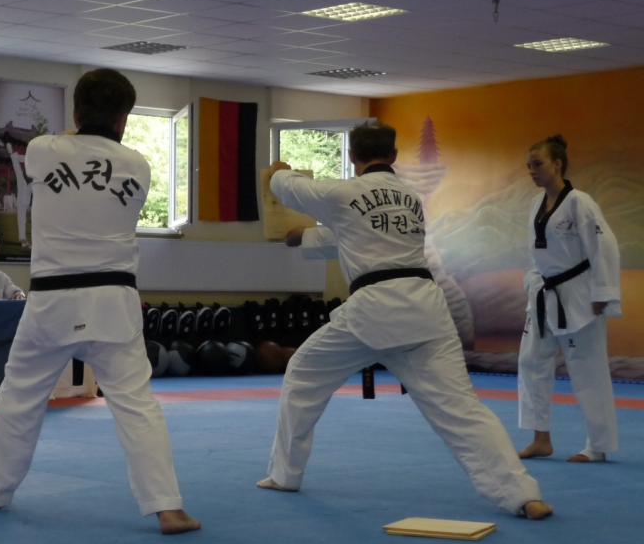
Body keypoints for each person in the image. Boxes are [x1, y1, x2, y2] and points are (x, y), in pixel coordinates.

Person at [261, 123, 551, 519]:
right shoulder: (410, 198)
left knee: (302, 373)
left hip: (373, 312)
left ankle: (285, 475)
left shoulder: (342, 192)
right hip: (426, 312)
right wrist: (306, 238)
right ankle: (523, 495)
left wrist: (278, 172)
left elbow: (288, 188)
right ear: (394, 156)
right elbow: (363, 236)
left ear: (352, 156)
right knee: (462, 409)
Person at [0, 68, 199, 535]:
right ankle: (167, 507)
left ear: (75, 113)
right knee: (137, 404)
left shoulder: (43, 149)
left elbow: (60, 143)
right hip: (113, 302)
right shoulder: (138, 165)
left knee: (19, 397)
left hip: (51, 302)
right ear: (124, 119)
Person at [517, 135, 621, 463]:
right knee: (531, 363)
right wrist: (532, 284)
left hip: (579, 296)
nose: (532, 171)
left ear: (557, 164)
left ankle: (598, 445)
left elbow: (604, 248)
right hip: (544, 296)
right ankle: (540, 438)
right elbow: (537, 253)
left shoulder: (580, 202)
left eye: (538, 164)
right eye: (529, 165)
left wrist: (602, 292)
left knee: (588, 370)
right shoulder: (536, 204)